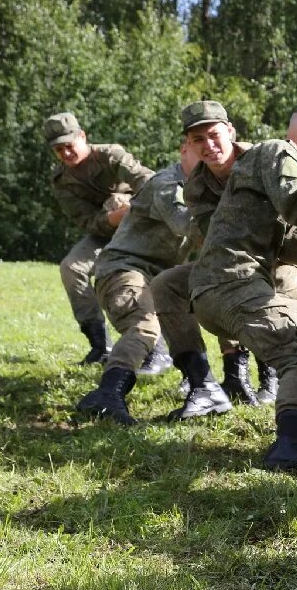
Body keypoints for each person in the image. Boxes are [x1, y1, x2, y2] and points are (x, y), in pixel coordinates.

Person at [189, 96, 297, 473]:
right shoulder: (277, 152)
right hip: (233, 286)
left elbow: (283, 245)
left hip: (222, 290)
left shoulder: (262, 168)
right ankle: (290, 444)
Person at [76, 133, 214, 425]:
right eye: (198, 149)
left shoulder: (209, 190)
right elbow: (184, 224)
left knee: (207, 301)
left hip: (161, 278)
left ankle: (205, 385)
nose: (207, 156)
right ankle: (107, 394)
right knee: (145, 325)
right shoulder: (166, 184)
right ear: (184, 150)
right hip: (122, 269)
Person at [150, 101, 276, 418]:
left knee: (275, 286)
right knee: (169, 284)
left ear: (230, 131)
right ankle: (204, 385)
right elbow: (214, 244)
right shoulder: (196, 186)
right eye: (198, 140)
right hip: (235, 261)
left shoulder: (265, 160)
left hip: (283, 255)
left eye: (214, 135)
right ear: (188, 146)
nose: (208, 146)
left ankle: (280, 379)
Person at [45, 112, 155, 367]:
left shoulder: (110, 155)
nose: (66, 154)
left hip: (139, 226)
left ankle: (152, 342)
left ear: (82, 137)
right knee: (72, 267)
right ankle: (99, 344)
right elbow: (84, 220)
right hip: (104, 232)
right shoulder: (62, 181)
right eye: (59, 150)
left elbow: (147, 180)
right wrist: (111, 219)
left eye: (69, 146)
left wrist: (130, 208)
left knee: (129, 273)